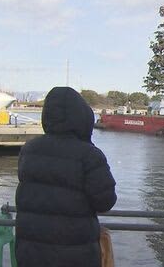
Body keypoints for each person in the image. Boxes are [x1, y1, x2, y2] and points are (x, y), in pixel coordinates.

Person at [15, 87, 117, 267]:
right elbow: (105, 201)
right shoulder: (89, 155)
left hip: (31, 254)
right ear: (82, 117)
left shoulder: (29, 150)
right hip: (76, 256)